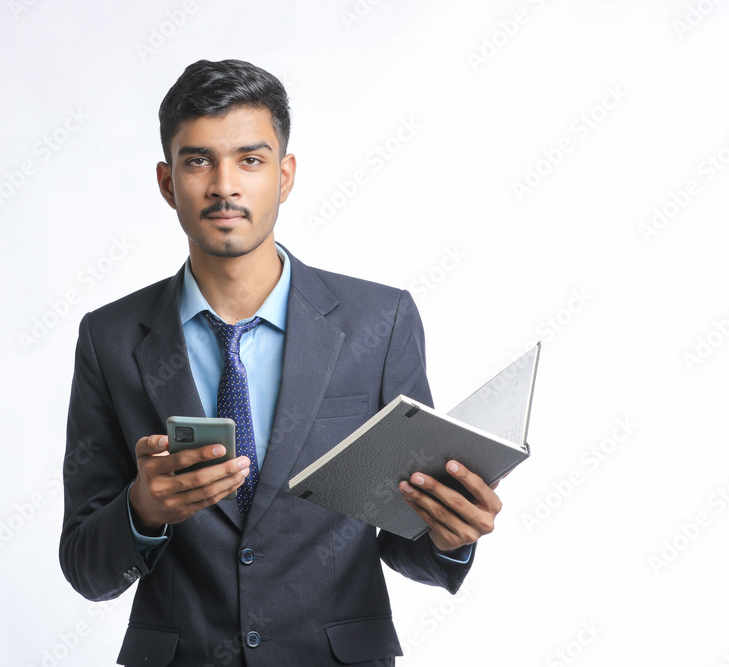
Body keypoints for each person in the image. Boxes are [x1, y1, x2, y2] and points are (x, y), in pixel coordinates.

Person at [59, 58, 503, 666]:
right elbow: (86, 566)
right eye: (198, 161)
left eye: (250, 159)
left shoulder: (381, 320)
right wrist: (142, 510)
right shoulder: (109, 337)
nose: (224, 185)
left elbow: (411, 541)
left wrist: (452, 536)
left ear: (285, 174)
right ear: (166, 182)